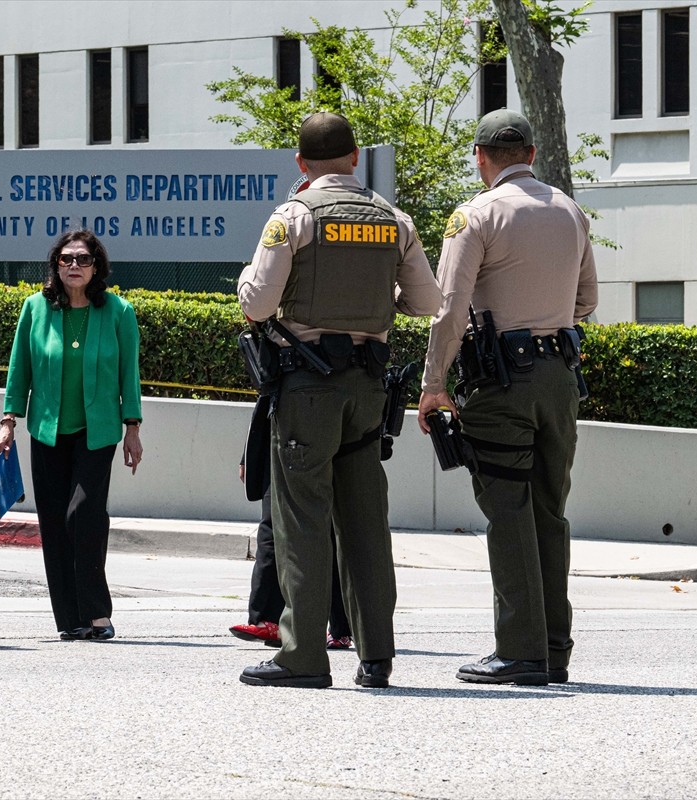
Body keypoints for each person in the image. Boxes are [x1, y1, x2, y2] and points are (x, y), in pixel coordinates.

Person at [236, 111, 441, 689]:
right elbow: (427, 302)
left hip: (308, 388)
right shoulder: (393, 220)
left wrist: (246, 283)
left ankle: (303, 657)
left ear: (300, 164)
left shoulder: (293, 215)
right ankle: (376, 655)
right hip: (368, 389)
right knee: (365, 523)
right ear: (355, 157)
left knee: (301, 520)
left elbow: (258, 304)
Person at [417, 109, 598, 686]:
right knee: (550, 510)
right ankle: (553, 647)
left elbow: (448, 309)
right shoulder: (571, 211)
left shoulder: (476, 215)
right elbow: (587, 300)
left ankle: (519, 652)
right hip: (559, 378)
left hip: (500, 382)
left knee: (508, 510)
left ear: (480, 157)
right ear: (533, 153)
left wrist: (434, 385)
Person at [0, 230, 143, 641]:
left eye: (82, 259)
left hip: (99, 432)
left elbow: (129, 374)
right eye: (65, 259)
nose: (73, 266)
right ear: (55, 266)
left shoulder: (119, 312)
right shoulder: (34, 308)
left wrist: (133, 428)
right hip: (46, 428)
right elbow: (18, 367)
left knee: (85, 514)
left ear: (97, 267)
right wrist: (9, 420)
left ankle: (97, 613)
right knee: (55, 522)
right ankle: (70, 619)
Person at [230, 441, 352, 651]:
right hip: (277, 443)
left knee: (328, 531)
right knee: (270, 529)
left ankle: (341, 627)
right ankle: (268, 620)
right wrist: (248, 455)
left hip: (323, 441)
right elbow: (263, 408)